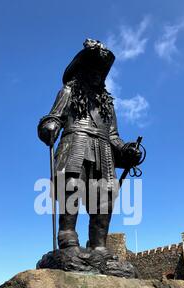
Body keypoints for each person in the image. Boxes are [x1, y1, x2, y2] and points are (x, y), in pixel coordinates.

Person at [38, 39, 140, 253]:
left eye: (100, 72)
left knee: (105, 197)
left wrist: (126, 150)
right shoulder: (68, 93)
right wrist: (50, 125)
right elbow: (54, 117)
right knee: (71, 187)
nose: (97, 75)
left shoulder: (108, 105)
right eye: (93, 70)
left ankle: (98, 245)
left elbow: (113, 136)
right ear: (82, 71)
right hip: (76, 143)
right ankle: (67, 238)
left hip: (103, 150)